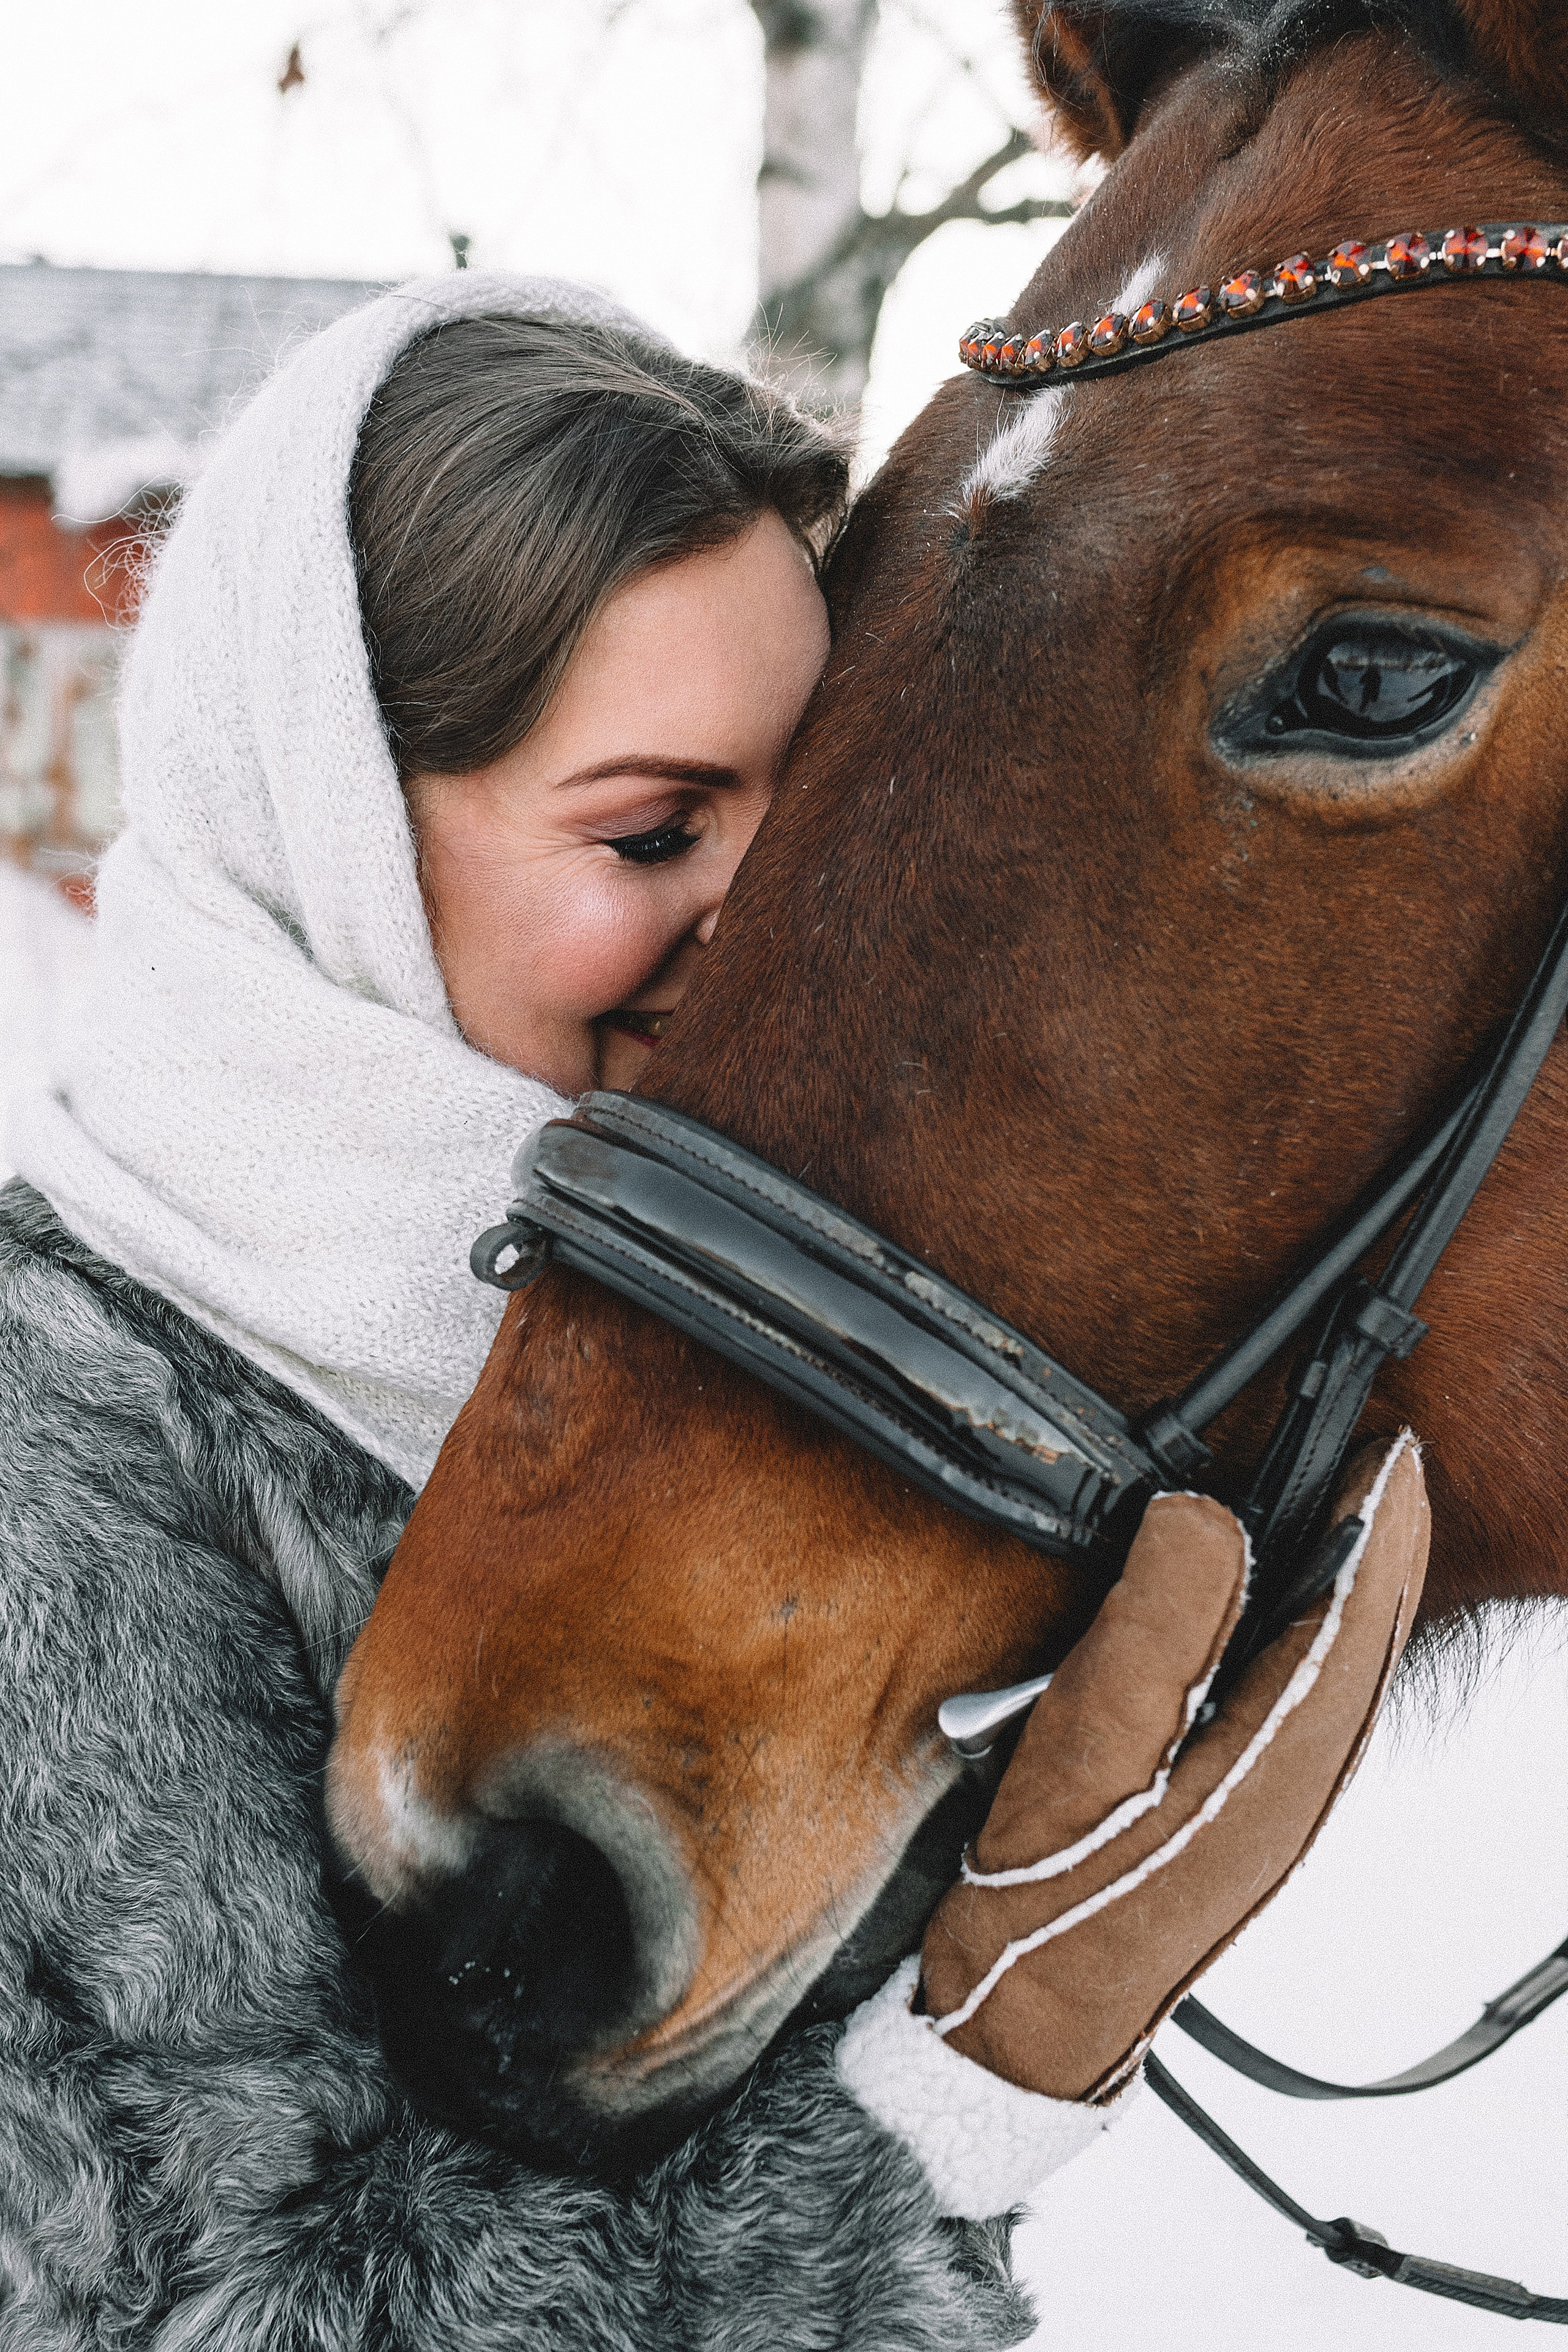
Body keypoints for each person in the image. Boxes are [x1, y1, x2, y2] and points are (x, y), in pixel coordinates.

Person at [0, 273, 1427, 2350]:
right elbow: (225, 2306)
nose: (777, 932)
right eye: (657, 828)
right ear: (335, 816)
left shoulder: (743, 1373)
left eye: (817, 816)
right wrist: (955, 2099)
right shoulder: (46, 1462)